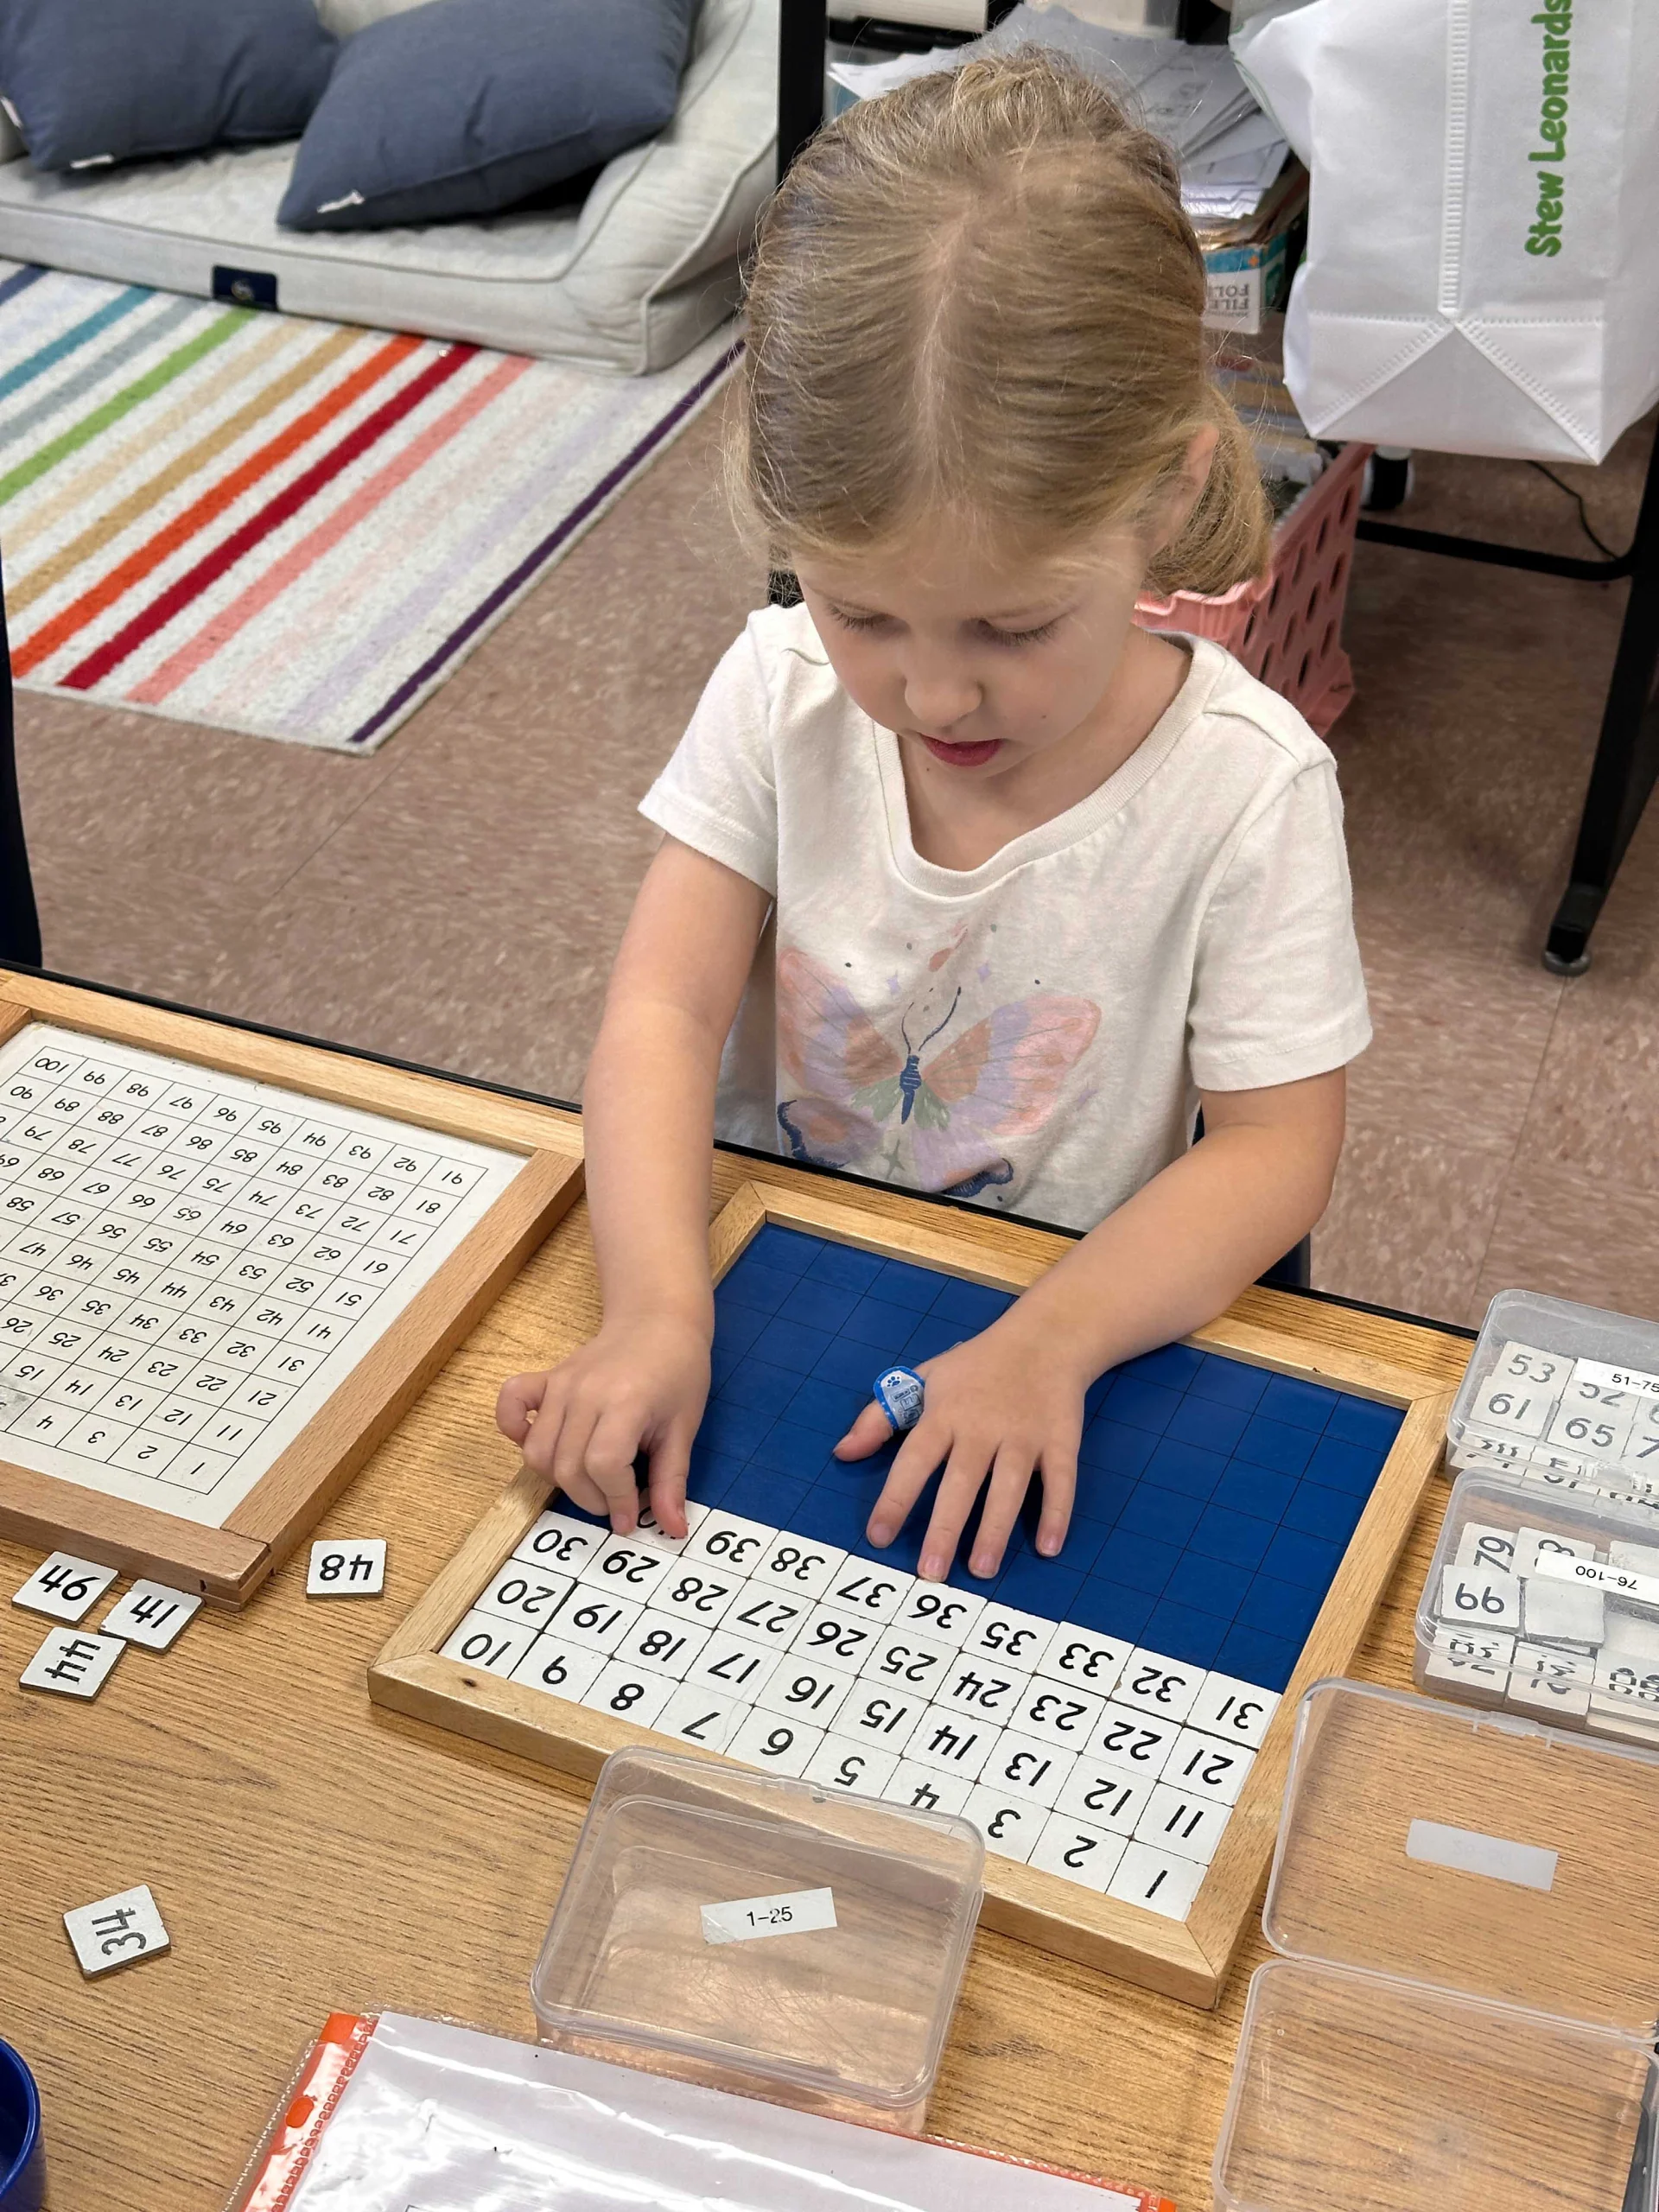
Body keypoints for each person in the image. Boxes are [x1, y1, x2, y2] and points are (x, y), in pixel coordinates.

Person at [499, 52, 1370, 1586]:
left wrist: (1053, 1344)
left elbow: (1274, 1154)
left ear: (1166, 502)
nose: (934, 698)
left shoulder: (1251, 786)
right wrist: (649, 1308)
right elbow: (659, 1008)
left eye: (1016, 630)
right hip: (771, 1265)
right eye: (862, 613)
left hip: (1081, 1311)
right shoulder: (779, 687)